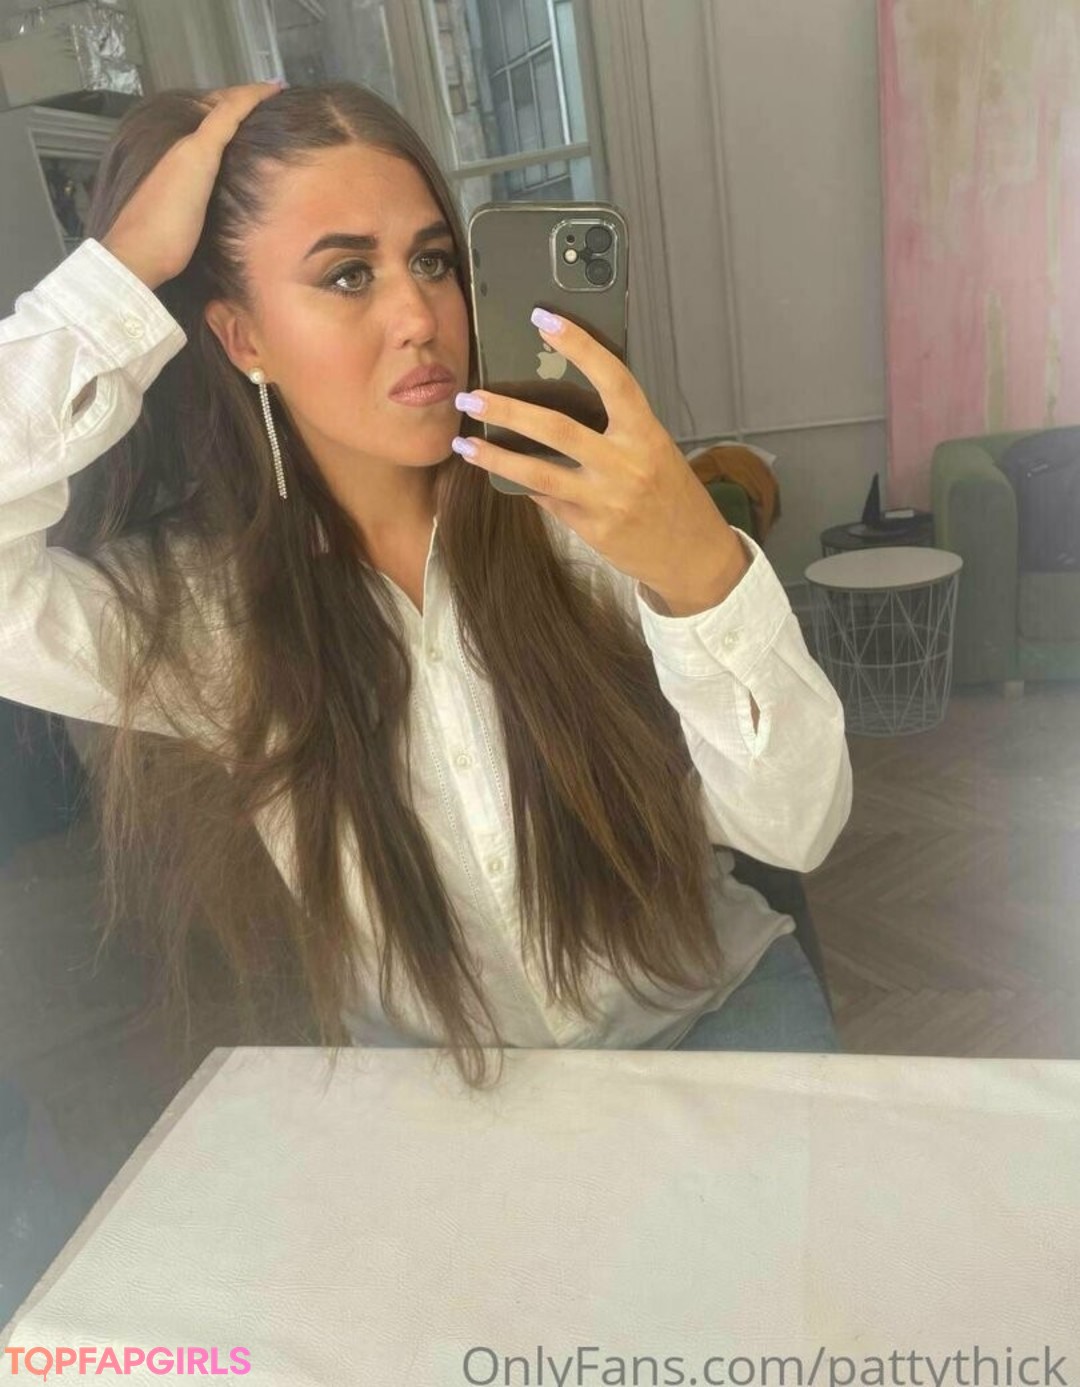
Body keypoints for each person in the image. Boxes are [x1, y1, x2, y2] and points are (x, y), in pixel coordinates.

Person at [0, 81, 852, 1089]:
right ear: (243, 339)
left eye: (434, 261)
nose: (418, 316)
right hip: (446, 1084)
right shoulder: (208, 616)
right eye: (348, 274)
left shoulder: (588, 519)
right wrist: (120, 276)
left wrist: (701, 572)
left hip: (719, 1016)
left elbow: (798, 827)